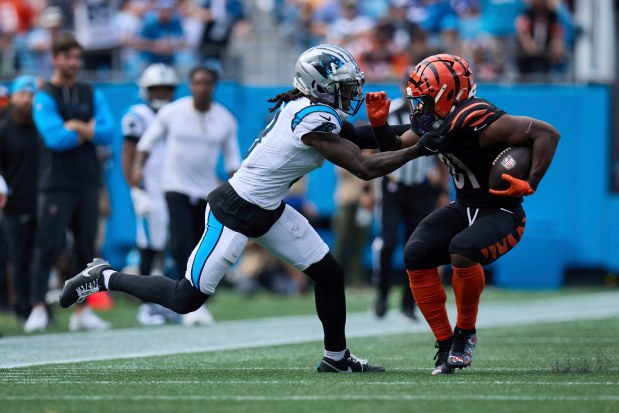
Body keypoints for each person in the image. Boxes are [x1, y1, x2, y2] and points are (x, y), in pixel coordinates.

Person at [59, 44, 428, 373]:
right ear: (318, 86)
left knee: (329, 273)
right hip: (234, 211)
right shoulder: (311, 118)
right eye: (344, 87)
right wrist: (422, 147)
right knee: (185, 298)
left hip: (267, 209)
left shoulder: (310, 109)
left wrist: (423, 127)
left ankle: (336, 356)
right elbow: (363, 167)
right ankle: (103, 276)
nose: (352, 93)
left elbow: (368, 138)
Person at [364, 53, 560, 374]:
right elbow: (397, 144)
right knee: (415, 253)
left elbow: (548, 134)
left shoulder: (479, 117)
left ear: (446, 94)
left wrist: (530, 182)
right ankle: (444, 345)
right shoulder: (438, 119)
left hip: (502, 213)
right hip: (464, 207)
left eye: (425, 100)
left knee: (463, 250)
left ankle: (465, 334)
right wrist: (378, 124)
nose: (419, 107)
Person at [129, 65, 238, 326]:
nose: (202, 88)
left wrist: (238, 188)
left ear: (213, 86)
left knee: (201, 246)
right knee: (181, 244)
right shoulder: (172, 112)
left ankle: (196, 301)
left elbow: (233, 161)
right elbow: (146, 143)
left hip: (205, 192)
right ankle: (186, 304)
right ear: (190, 85)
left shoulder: (225, 119)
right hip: (175, 187)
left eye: (207, 83)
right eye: (197, 82)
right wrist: (137, 168)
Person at [29, 33, 115, 332]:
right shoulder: (45, 95)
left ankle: (83, 312)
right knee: (47, 248)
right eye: (67, 57)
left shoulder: (90, 93)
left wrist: (77, 127)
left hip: (88, 182)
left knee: (86, 252)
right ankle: (37, 308)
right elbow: (55, 138)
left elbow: (108, 131)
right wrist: (87, 129)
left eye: (77, 57)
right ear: (55, 59)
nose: (73, 63)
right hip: (55, 184)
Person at [372, 70, 450, 321]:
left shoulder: (432, 112)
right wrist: (367, 188)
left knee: (415, 248)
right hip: (394, 187)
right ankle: (382, 295)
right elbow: (373, 144)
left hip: (421, 189)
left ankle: (408, 303)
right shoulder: (392, 110)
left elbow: (441, 154)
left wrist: (443, 189)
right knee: (389, 242)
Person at [121, 63, 180, 325]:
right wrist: (135, 190)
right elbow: (128, 154)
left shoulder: (177, 112)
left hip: (173, 187)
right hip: (149, 190)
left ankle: (163, 302)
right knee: (149, 246)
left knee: (170, 246)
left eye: (166, 89)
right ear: (145, 90)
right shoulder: (137, 115)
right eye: (156, 89)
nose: (161, 94)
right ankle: (146, 306)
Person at [0, 75, 39, 322]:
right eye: (22, 94)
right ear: (13, 97)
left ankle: (39, 306)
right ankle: (21, 306)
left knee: (41, 256)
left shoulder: (40, 126)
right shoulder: (3, 129)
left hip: (42, 200)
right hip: (14, 203)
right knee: (18, 257)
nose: (27, 100)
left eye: (31, 94)